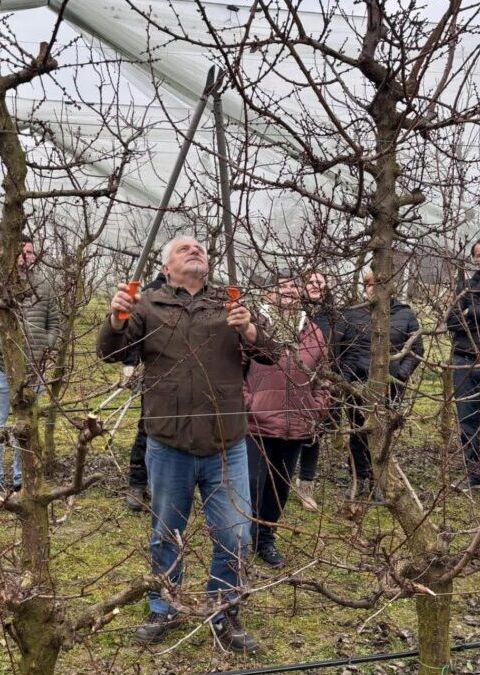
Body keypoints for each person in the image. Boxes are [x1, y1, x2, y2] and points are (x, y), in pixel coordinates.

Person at [97, 235, 278, 653]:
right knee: (166, 532)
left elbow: (271, 354)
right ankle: (164, 606)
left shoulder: (231, 304)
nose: (195, 250)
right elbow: (111, 353)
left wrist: (249, 329)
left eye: (200, 248)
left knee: (235, 535)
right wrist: (116, 319)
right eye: (183, 249)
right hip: (169, 442)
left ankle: (224, 611)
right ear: (166, 268)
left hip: (226, 443)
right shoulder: (147, 305)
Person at [245, 271, 328, 568]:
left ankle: (265, 540)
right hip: (257, 422)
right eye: (281, 287)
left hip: (296, 425)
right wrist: (247, 403)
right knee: (252, 483)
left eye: (293, 286)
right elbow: (233, 370)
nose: (288, 292)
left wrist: (317, 408)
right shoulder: (252, 326)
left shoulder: (313, 330)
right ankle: (244, 538)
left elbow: (324, 377)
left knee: (279, 488)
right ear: (267, 292)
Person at [0, 235, 60, 492]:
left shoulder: (44, 284)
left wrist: (47, 345)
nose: (26, 257)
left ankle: (23, 479)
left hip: (35, 372)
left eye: (30, 252)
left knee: (27, 424)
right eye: (20, 253)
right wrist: (3, 348)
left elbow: (55, 323)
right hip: (2, 370)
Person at [333, 270, 423, 501]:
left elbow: (416, 350)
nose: (373, 289)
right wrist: (346, 378)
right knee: (358, 432)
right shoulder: (353, 315)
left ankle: (380, 480)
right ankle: (359, 478)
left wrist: (400, 376)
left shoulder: (404, 314)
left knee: (383, 435)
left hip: (390, 386)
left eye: (379, 284)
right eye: (368, 284)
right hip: (357, 385)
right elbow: (340, 349)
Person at [447, 236, 480, 492]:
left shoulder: (469, 297)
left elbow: (465, 316)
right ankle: (474, 477)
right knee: (468, 421)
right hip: (463, 362)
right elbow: (452, 322)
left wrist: (472, 312)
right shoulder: (465, 286)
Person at [122, 270, 167, 512]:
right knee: (147, 427)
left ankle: (161, 484)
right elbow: (134, 332)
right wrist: (130, 362)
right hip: (155, 376)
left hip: (186, 380)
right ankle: (137, 484)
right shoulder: (151, 292)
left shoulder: (196, 294)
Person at [295, 270, 339, 511]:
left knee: (313, 436)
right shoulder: (293, 312)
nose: (314, 286)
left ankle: (306, 487)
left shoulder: (334, 318)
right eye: (309, 281)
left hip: (319, 383)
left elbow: (340, 349)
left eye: (319, 282)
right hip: (291, 381)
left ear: (327, 288)